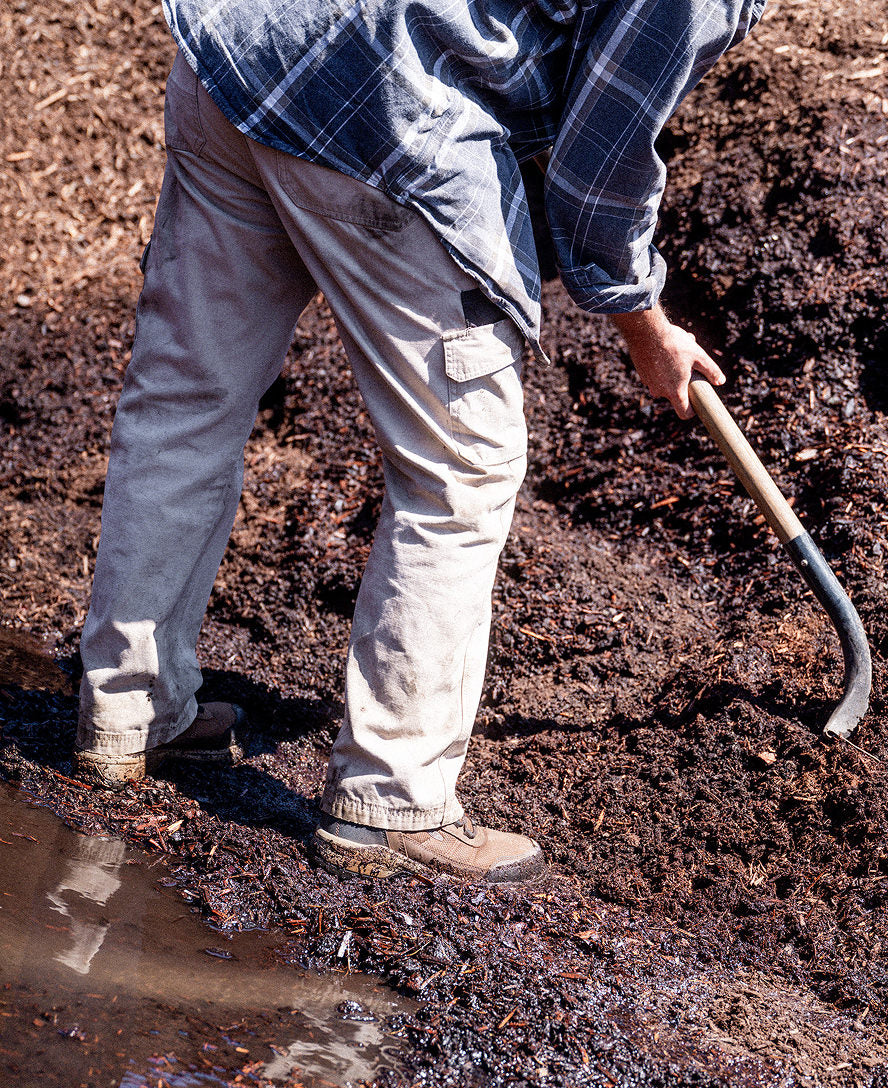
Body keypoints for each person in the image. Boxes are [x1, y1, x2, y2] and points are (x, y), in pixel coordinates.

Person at [74, 0, 766, 883]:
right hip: (384, 110)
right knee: (459, 469)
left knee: (185, 402)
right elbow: (597, 174)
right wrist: (644, 323)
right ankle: (393, 799)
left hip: (242, 47)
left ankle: (127, 710)